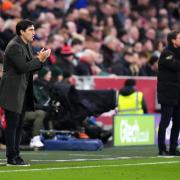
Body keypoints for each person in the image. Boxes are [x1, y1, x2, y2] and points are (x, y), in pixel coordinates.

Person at [0, 19, 51, 166]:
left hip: (21, 91)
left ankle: (16, 156)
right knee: (13, 126)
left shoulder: (26, 44)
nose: (34, 33)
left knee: (19, 125)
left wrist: (41, 60)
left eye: (34, 30)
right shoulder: (14, 46)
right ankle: (11, 157)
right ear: (21, 31)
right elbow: (23, 67)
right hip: (11, 92)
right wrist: (39, 60)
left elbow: (30, 67)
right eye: (31, 30)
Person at [157, 30, 180, 156]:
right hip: (167, 93)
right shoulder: (167, 53)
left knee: (178, 122)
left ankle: (173, 148)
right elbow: (175, 66)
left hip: (177, 94)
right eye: (179, 38)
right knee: (165, 122)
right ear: (173, 40)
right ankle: (162, 148)